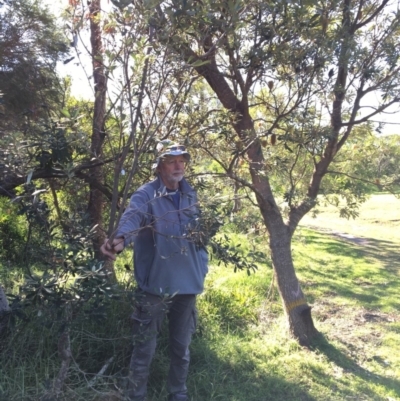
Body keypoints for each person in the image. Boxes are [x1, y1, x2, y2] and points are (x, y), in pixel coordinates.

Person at [100, 142, 208, 401]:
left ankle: (178, 393)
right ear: (160, 166)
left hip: (188, 285)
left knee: (181, 348)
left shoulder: (190, 194)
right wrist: (121, 238)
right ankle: (136, 396)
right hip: (155, 287)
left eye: (182, 160)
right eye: (172, 161)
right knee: (144, 348)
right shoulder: (147, 194)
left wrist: (202, 265)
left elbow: (202, 232)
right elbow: (133, 216)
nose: (178, 166)